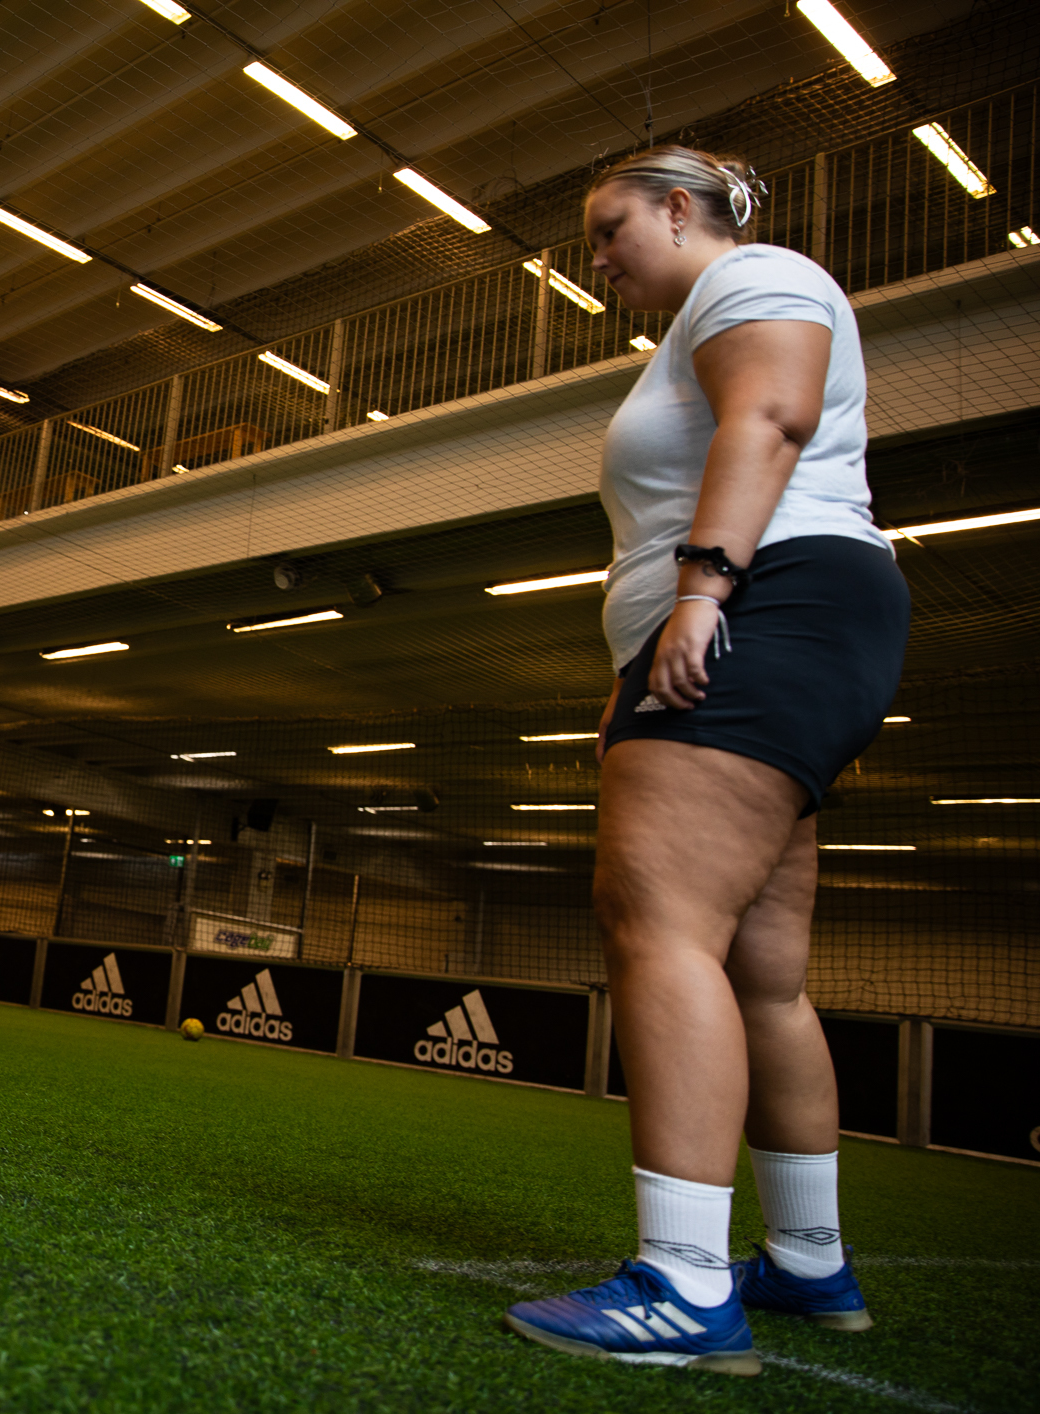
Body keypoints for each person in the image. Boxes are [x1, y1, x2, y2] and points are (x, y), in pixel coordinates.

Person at [503, 147, 907, 1374]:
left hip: (760, 605)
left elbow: (770, 417)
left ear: (681, 210)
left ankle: (682, 1285)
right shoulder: (696, 321)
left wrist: (701, 590)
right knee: (763, 974)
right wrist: (637, 665)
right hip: (777, 623)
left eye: (611, 229)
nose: (600, 259)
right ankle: (806, 1262)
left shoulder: (757, 276)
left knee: (660, 920)